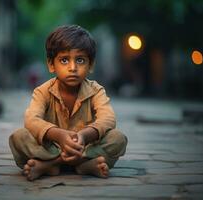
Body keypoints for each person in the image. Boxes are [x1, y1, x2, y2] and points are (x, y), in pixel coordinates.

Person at [9, 25, 128, 181]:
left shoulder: (96, 91)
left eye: (80, 60)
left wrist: (84, 136)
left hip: (84, 147)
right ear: (51, 64)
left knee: (118, 138)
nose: (73, 68)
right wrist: (59, 135)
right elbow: (31, 120)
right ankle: (83, 165)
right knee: (18, 137)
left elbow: (108, 119)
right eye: (64, 60)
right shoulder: (42, 91)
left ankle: (51, 165)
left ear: (90, 65)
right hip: (52, 148)